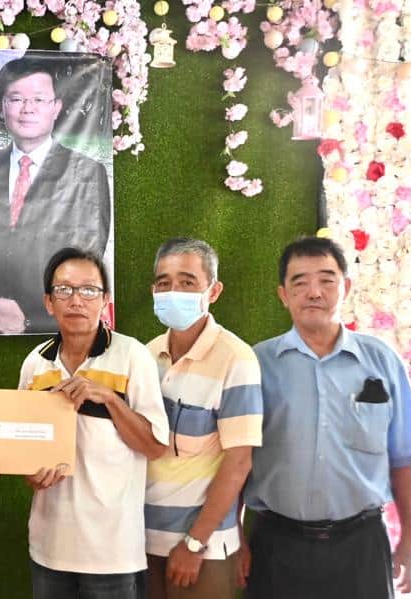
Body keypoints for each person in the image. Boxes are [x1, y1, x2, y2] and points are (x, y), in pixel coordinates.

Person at [244, 236, 411, 599]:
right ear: (283, 295)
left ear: (345, 287)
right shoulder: (256, 364)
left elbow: (404, 457)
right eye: (300, 282)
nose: (314, 292)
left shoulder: (381, 361)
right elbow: (236, 457)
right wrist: (236, 538)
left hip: (362, 546)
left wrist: (410, 540)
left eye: (326, 280)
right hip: (277, 548)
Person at [18, 247, 169, 599]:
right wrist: (32, 475)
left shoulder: (133, 356)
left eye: (88, 290)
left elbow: (155, 446)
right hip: (49, 547)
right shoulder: (35, 363)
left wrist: (110, 399)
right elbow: (24, 451)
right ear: (48, 302)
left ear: (105, 300)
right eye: (64, 290)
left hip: (112, 552)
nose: (76, 300)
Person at [0, 57, 111, 335]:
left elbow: (87, 254)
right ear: (2, 107)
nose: (27, 109)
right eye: (16, 99)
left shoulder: (87, 172)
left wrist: (26, 314)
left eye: (38, 99)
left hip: (55, 327)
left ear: (56, 107)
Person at [143, 238, 263, 599]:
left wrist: (194, 543)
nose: (173, 292)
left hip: (202, 549)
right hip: (142, 541)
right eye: (164, 283)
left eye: (187, 282)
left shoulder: (236, 359)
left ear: (213, 290)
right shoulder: (146, 356)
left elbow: (239, 462)